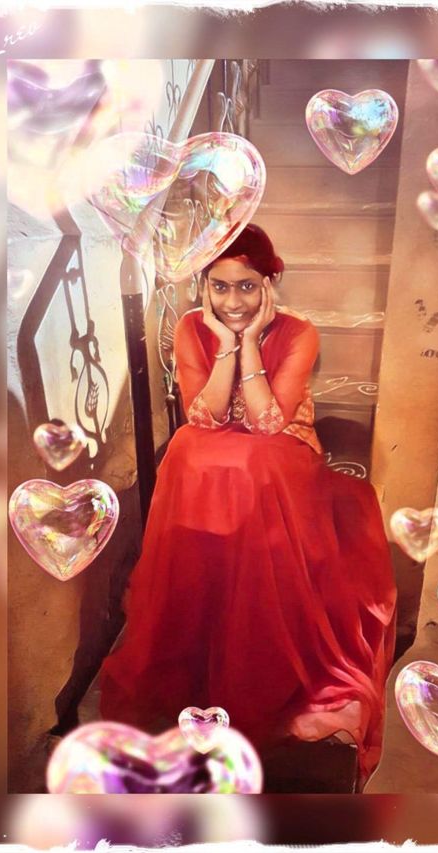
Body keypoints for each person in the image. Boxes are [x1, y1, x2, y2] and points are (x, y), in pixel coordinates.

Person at [99, 223, 397, 785]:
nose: (233, 301)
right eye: (220, 286)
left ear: (269, 285)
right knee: (187, 450)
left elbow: (266, 422)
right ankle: (204, 602)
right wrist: (223, 345)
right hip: (221, 455)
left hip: (282, 451)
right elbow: (205, 415)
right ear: (204, 288)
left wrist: (252, 342)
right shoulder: (191, 327)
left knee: (251, 463)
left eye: (247, 286)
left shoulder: (299, 331)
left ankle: (256, 624)